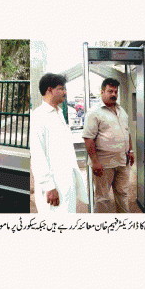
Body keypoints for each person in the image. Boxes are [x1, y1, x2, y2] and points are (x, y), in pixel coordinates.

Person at [29, 73, 87, 213]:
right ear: (50, 90)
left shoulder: (58, 113)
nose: (65, 92)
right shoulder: (39, 117)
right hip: (54, 186)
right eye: (61, 88)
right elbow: (37, 155)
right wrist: (48, 186)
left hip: (67, 181)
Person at [82, 78, 134, 213]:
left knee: (122, 193)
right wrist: (95, 162)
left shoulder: (121, 110)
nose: (114, 94)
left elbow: (126, 132)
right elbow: (88, 138)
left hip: (122, 161)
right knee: (102, 198)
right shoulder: (94, 112)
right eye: (110, 91)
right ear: (102, 92)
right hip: (104, 163)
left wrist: (131, 150)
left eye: (116, 91)